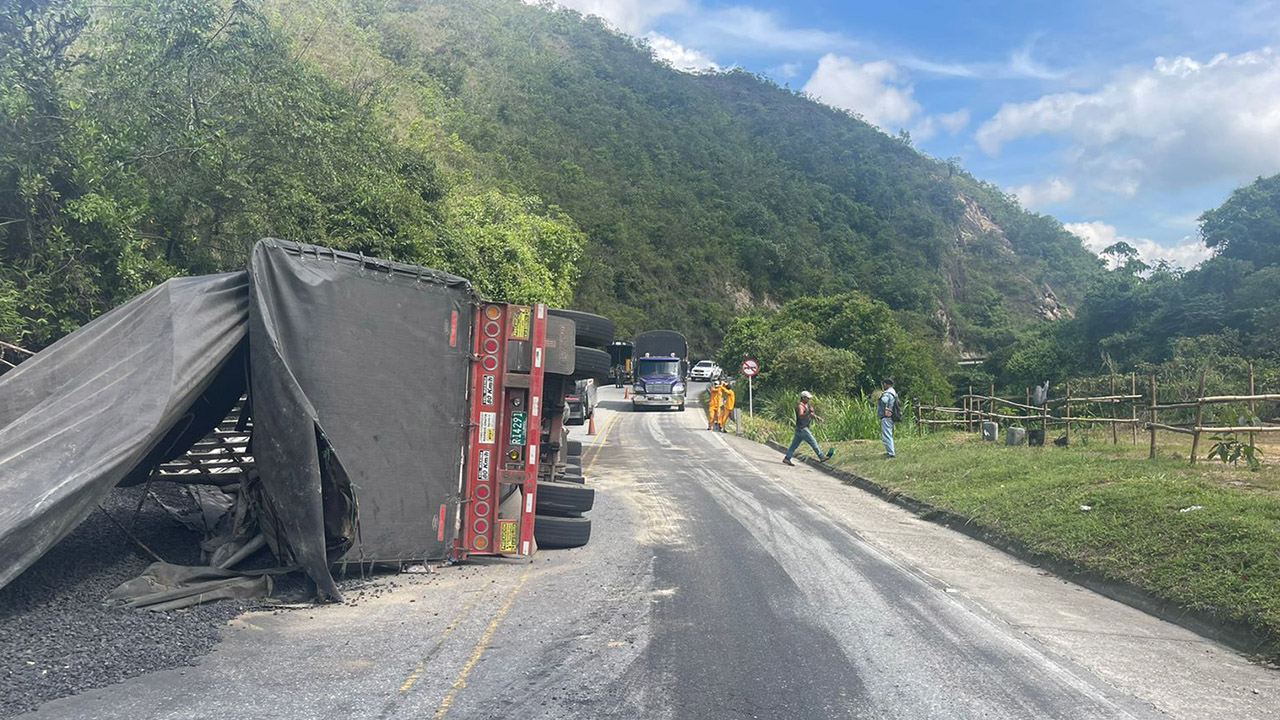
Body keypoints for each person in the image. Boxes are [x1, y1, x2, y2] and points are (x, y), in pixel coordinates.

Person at [782, 391, 834, 466]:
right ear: (803, 398)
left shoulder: (806, 405)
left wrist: (817, 418)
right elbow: (801, 415)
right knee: (813, 442)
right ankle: (821, 457)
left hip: (799, 429)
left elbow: (810, 414)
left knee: (794, 445)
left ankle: (787, 458)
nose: (809, 399)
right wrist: (808, 412)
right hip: (802, 428)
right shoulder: (800, 406)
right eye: (807, 398)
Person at [878, 378, 898, 458]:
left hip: (887, 416)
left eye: (884, 384)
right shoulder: (893, 392)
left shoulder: (888, 393)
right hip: (891, 416)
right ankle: (890, 451)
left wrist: (880, 397)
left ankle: (891, 453)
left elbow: (884, 400)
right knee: (888, 433)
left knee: (886, 434)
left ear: (886, 384)